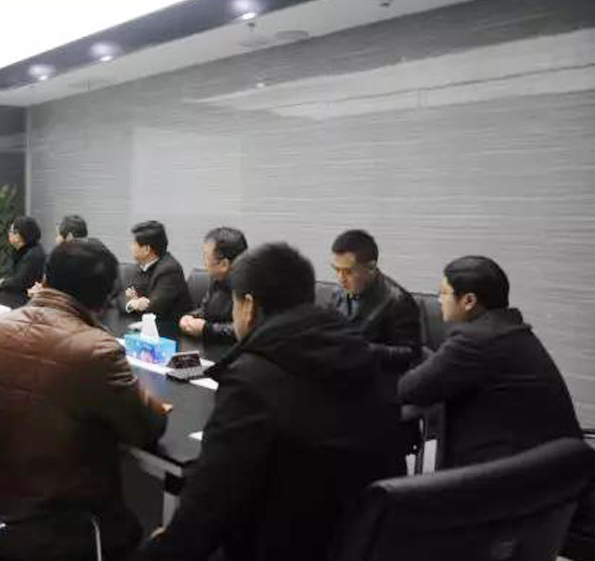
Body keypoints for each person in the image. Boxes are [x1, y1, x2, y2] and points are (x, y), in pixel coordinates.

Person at [138, 243, 405, 561]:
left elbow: (210, 502)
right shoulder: (360, 357)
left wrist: (163, 547)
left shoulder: (251, 380)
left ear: (249, 307)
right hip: (365, 541)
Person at [0, 238, 169, 561]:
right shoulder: (96, 350)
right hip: (59, 532)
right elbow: (148, 427)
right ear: (103, 300)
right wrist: (150, 400)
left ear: (45, 278)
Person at [398, 256, 582, 467]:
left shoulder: (477, 340)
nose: (439, 300)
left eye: (444, 293)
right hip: (554, 464)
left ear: (469, 301)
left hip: (521, 471)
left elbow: (411, 389)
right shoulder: (508, 330)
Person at [329, 229, 421, 375]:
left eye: (348, 272)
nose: (340, 279)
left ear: (371, 267)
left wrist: (364, 350)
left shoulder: (398, 301)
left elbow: (411, 355)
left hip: (375, 376)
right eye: (336, 270)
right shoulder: (339, 291)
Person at [178, 227, 247, 344]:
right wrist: (190, 317)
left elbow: (244, 330)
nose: (204, 262)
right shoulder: (217, 279)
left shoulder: (250, 287)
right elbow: (206, 310)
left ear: (224, 264)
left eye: (206, 256)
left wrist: (207, 329)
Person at [123, 220, 193, 321]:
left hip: (171, 326)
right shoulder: (141, 266)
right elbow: (126, 296)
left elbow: (154, 308)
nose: (131, 247)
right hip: (146, 324)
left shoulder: (170, 270)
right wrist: (134, 304)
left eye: (134, 243)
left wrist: (137, 303)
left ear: (147, 249)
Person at [28, 214, 89, 297]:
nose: (56, 239)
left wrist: (40, 293)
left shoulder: (59, 262)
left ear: (69, 237)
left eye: (58, 235)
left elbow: (59, 294)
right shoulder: (94, 259)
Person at [0, 215, 46, 294]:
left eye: (11, 231)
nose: (9, 234)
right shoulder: (19, 251)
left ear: (19, 236)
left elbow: (19, 283)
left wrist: (3, 283)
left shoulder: (33, 255)